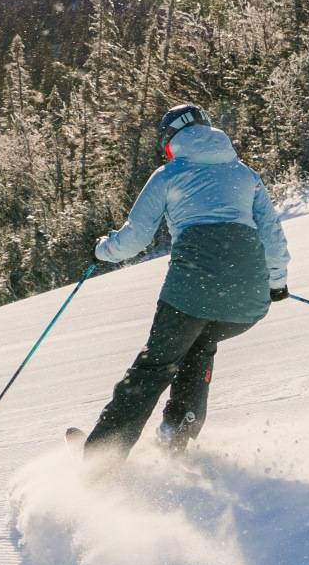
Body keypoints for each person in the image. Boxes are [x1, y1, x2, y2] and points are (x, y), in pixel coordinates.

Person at [79, 103, 289, 463]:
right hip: (247, 298)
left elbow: (135, 238)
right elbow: (272, 236)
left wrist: (101, 251)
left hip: (192, 291)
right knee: (199, 346)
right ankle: (178, 433)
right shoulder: (245, 175)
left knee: (154, 367)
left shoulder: (168, 174)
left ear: (170, 140)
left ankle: (101, 459)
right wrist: (276, 283)